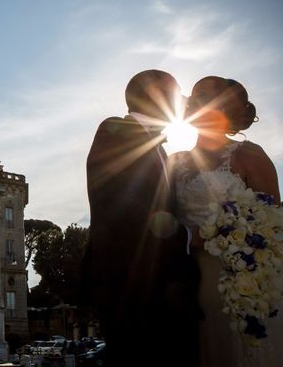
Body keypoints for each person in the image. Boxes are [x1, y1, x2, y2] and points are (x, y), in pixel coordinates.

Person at [81, 69, 201, 367]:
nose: (183, 101)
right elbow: (128, 209)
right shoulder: (116, 130)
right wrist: (189, 236)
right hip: (132, 289)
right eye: (177, 94)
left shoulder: (159, 147)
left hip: (156, 289)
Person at [172, 76, 283, 366]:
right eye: (193, 94)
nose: (194, 99)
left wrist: (214, 235)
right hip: (188, 285)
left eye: (206, 94)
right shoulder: (174, 162)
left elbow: (273, 226)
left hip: (243, 284)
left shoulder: (249, 155)